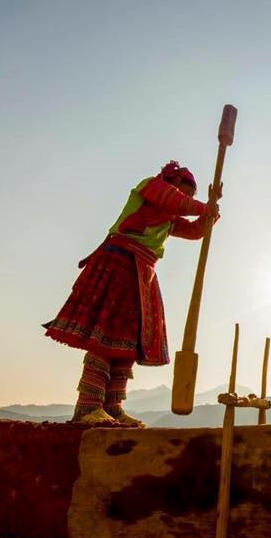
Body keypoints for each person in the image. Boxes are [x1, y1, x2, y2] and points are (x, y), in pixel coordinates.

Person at [44, 161, 218, 426]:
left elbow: (196, 231)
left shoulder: (169, 218)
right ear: (173, 183)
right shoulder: (151, 186)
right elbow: (174, 201)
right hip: (121, 260)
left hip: (142, 271)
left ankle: (112, 406)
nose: (187, 199)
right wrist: (204, 207)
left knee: (128, 340)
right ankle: (88, 406)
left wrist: (211, 214)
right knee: (107, 334)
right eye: (185, 193)